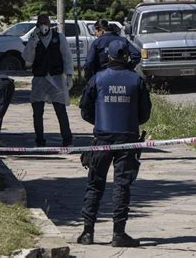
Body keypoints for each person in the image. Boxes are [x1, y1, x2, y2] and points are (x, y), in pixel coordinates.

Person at [78, 40, 152, 247]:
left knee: (94, 184)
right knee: (122, 186)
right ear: (126, 56)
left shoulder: (97, 78)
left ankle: (87, 232)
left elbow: (84, 110)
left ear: (108, 56)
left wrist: (100, 123)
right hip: (127, 139)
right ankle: (118, 233)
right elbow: (145, 113)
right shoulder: (136, 80)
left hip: (102, 138)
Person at [23, 14, 74, 147]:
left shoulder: (59, 38)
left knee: (60, 110)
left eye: (45, 22)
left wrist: (69, 75)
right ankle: (40, 140)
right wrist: (33, 40)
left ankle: (67, 140)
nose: (43, 25)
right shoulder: (34, 38)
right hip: (39, 79)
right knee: (37, 112)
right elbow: (27, 58)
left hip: (56, 79)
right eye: (40, 23)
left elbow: (67, 57)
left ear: (50, 24)